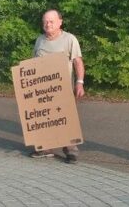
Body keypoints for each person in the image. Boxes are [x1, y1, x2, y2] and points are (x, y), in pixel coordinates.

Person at [29, 9, 85, 164]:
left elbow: (78, 62)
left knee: (66, 120)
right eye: (45, 21)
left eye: (51, 21)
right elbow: (33, 64)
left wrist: (79, 82)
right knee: (44, 118)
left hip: (63, 89)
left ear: (60, 22)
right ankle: (45, 148)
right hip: (43, 90)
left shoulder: (69, 39)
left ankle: (71, 151)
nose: (48, 24)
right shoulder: (40, 40)